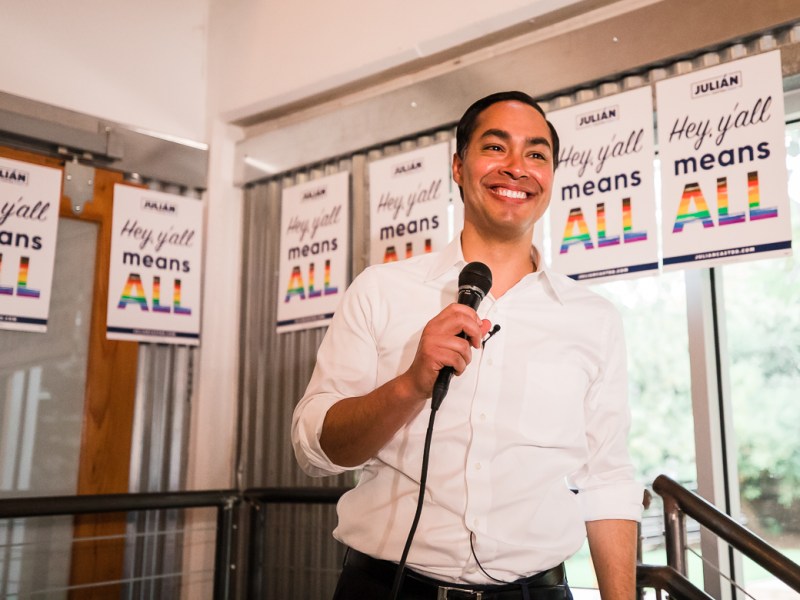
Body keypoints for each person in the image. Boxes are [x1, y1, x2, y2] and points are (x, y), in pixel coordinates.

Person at [292, 91, 643, 599]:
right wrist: (410, 386)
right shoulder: (380, 289)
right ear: (458, 167)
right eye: (496, 148)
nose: (517, 168)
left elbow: (606, 477)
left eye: (537, 154)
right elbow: (316, 450)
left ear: (550, 176)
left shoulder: (593, 318)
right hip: (387, 589)